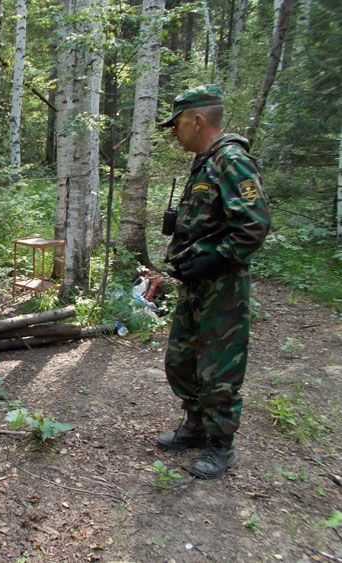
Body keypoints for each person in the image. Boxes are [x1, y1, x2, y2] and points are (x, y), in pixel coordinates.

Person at [156, 84, 271, 479]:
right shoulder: (204, 161)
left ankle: (221, 444)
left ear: (197, 120)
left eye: (176, 124)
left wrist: (211, 259)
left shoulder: (232, 160)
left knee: (218, 368)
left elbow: (253, 227)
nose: (174, 132)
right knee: (182, 359)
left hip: (222, 286)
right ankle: (195, 425)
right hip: (196, 284)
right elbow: (215, 217)